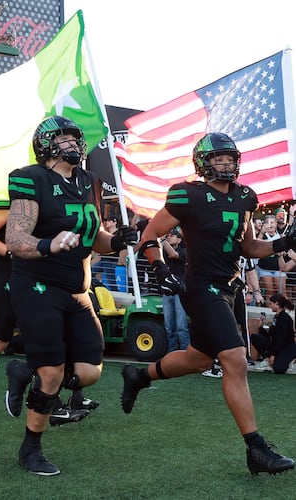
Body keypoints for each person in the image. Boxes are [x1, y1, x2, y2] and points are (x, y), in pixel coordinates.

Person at [120, 132, 294, 475]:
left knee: (198, 359)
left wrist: (283, 241)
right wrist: (158, 268)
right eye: (219, 158)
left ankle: (139, 375)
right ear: (203, 163)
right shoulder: (188, 195)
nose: (226, 164)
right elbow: (149, 236)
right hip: (200, 286)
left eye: (230, 158)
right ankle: (256, 449)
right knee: (234, 359)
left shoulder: (246, 197)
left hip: (231, 287)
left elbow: (249, 248)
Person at [5, 116, 137, 476]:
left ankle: (23, 373)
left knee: (89, 372)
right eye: (63, 138)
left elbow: (94, 238)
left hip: (78, 290)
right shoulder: (30, 178)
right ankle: (31, 447)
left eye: (75, 139)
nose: (72, 144)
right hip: (38, 285)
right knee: (51, 373)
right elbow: (15, 239)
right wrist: (50, 243)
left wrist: (116, 242)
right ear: (45, 144)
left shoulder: (89, 181)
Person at [0, 200, 97, 424]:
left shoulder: (53, 192)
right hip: (12, 276)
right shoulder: (16, 196)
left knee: (61, 337)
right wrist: (13, 251)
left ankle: (51, 395)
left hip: (43, 278)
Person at [251, 293, 296, 374]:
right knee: (255, 337)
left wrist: (273, 354)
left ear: (277, 304)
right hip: (277, 345)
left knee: (279, 369)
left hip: (286, 347)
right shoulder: (276, 317)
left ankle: (288, 360)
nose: (270, 306)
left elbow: (281, 339)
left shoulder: (285, 318)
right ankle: (267, 360)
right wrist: (261, 327)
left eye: (271, 303)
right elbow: (270, 336)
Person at [161, 227, 189, 352]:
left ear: (179, 240)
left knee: (181, 326)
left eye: (172, 235)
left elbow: (174, 254)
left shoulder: (183, 252)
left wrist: (162, 240)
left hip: (179, 293)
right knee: (169, 327)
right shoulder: (164, 251)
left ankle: (186, 355)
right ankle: (171, 354)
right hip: (167, 292)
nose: (169, 236)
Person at [91, 216, 119, 290]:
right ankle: (100, 287)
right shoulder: (106, 234)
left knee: (111, 281)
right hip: (104, 259)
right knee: (90, 272)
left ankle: (106, 289)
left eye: (109, 220)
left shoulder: (118, 234)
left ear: (115, 222)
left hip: (111, 260)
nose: (107, 222)